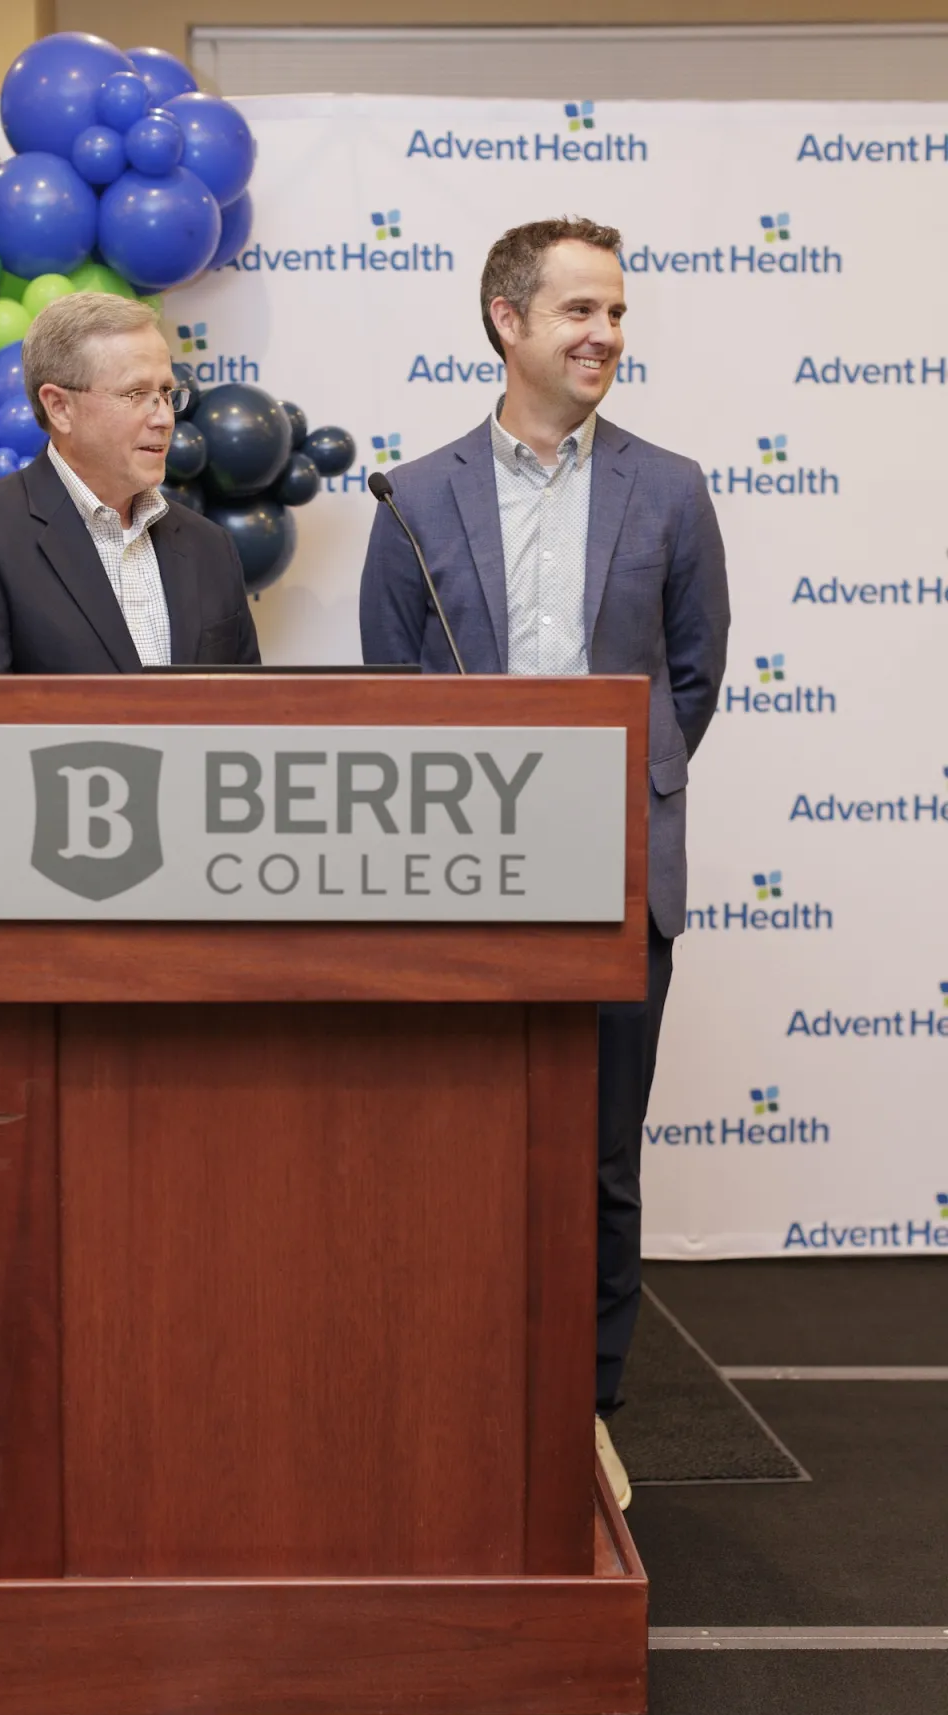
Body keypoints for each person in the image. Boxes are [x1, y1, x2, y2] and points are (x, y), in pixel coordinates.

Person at [359, 216, 729, 1511]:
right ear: (506, 322)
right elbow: (391, 695)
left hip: (619, 869)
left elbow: (694, 676)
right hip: (458, 884)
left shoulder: (671, 487)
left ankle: (587, 1407)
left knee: (600, 1155)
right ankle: (455, 1383)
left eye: (617, 313)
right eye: (579, 312)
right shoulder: (412, 496)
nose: (605, 336)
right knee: (457, 1144)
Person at [0, 291, 259, 676]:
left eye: (165, 392)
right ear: (59, 407)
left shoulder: (210, 547)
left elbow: (247, 717)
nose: (163, 418)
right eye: (136, 394)